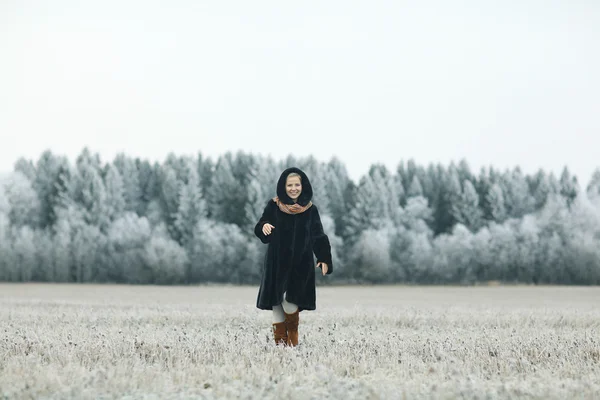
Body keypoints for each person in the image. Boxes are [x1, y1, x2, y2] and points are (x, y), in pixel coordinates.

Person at [254, 167, 333, 347]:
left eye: (297, 184)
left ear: (303, 186)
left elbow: (318, 235)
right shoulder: (273, 206)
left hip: (300, 263)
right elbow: (260, 227)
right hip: (276, 262)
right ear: (283, 186)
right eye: (289, 185)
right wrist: (264, 226)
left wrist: (324, 258)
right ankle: (281, 349)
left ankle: (293, 340)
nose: (293, 188)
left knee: (289, 302)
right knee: (276, 304)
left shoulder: (311, 210)